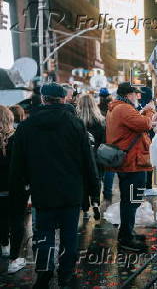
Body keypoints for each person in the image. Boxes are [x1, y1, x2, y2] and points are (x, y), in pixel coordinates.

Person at [9, 83, 100, 288]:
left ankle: (44, 270)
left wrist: (19, 191)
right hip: (71, 191)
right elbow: (88, 161)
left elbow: (18, 164)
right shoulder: (75, 124)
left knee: (44, 234)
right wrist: (94, 191)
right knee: (69, 235)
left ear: (43, 99)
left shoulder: (27, 126)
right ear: (63, 99)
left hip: (42, 191)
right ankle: (66, 273)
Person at [105, 82, 154, 251]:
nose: (138, 96)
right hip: (132, 163)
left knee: (130, 200)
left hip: (131, 162)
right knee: (131, 201)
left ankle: (127, 232)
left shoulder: (117, 108)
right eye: (136, 94)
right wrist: (149, 110)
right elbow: (146, 124)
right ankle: (126, 238)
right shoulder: (123, 109)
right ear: (128, 94)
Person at [0, 106, 27, 274]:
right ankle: (14, 259)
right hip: (16, 188)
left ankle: (4, 246)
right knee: (17, 222)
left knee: (1, 218)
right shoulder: (17, 138)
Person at [76, 94, 105, 220]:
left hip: (81, 157)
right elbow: (104, 140)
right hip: (97, 156)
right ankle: (95, 202)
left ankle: (85, 208)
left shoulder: (76, 120)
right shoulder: (100, 121)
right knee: (96, 180)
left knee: (82, 181)